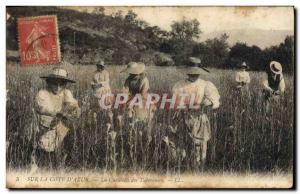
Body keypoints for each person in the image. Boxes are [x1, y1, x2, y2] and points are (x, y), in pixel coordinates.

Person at [172, 57, 220, 172]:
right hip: (184, 117)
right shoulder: (179, 85)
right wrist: (184, 106)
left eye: (196, 73)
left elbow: (215, 101)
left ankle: (199, 169)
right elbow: (176, 102)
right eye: (191, 73)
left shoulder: (205, 84)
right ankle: (185, 168)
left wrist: (208, 103)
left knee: (200, 145)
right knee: (183, 144)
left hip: (200, 118)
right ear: (187, 72)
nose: (193, 75)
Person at [33, 67, 80, 170]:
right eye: (55, 83)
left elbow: (72, 103)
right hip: (45, 125)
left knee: (60, 144)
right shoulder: (42, 93)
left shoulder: (66, 92)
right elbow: (43, 108)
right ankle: (43, 163)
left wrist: (72, 108)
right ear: (49, 82)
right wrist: (60, 112)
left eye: (62, 84)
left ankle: (60, 162)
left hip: (60, 123)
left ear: (65, 85)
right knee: (45, 148)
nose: (58, 87)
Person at [120, 62, 155, 169]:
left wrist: (131, 103)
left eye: (133, 73)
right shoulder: (128, 79)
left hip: (143, 103)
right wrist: (126, 103)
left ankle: (146, 151)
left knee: (144, 125)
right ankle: (132, 149)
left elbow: (142, 94)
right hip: (131, 102)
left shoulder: (144, 80)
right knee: (131, 125)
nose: (131, 74)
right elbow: (125, 91)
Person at [90, 59, 113, 124]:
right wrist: (92, 85)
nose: (99, 68)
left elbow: (107, 81)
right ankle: (99, 121)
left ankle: (109, 121)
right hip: (97, 92)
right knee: (98, 107)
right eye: (98, 66)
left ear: (103, 67)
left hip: (105, 91)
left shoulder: (106, 73)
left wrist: (100, 83)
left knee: (107, 107)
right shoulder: (94, 73)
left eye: (101, 66)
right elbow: (92, 81)